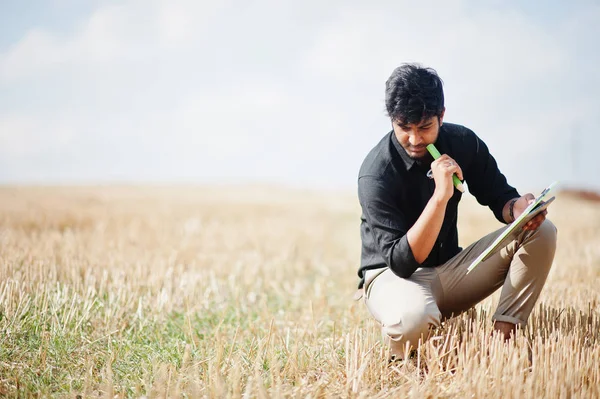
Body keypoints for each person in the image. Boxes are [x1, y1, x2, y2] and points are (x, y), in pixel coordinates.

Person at [356, 63, 557, 360]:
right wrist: (440, 195)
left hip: (450, 273)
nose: (414, 139)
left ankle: (501, 344)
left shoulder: (464, 142)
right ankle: (408, 357)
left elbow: (499, 196)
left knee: (542, 230)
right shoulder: (376, 174)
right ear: (392, 121)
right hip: (393, 278)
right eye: (404, 128)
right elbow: (402, 262)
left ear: (442, 115)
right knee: (412, 319)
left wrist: (519, 208)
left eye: (424, 127)